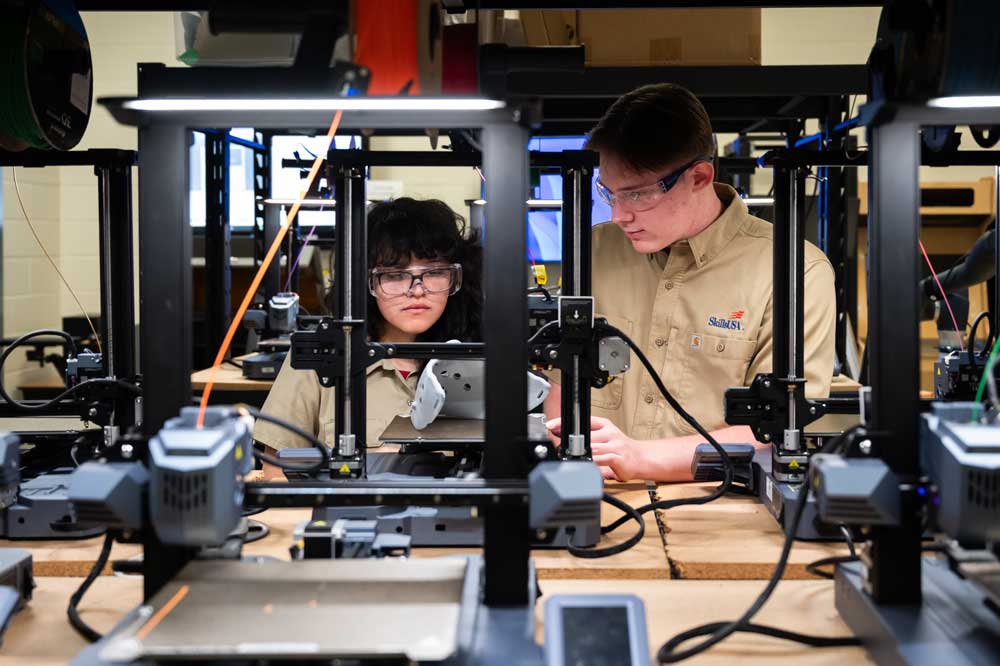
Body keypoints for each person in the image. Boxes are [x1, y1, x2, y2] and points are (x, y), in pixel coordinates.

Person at [544, 83, 836, 483]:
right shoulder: (593, 252)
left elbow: (780, 431)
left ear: (699, 177)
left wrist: (642, 458)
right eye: (609, 193)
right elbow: (562, 393)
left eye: (637, 195)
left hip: (719, 505)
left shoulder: (795, 272)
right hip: (597, 492)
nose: (619, 215)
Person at [253, 197, 482, 466]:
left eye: (434, 272)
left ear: (456, 278)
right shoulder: (321, 357)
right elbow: (276, 471)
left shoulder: (480, 358)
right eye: (395, 275)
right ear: (367, 281)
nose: (417, 290)